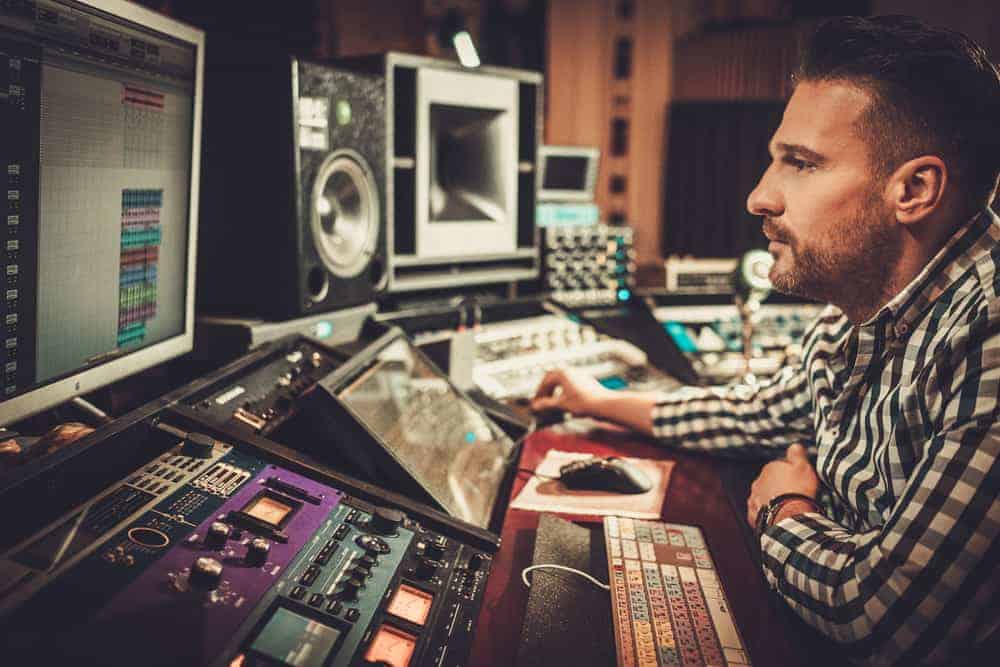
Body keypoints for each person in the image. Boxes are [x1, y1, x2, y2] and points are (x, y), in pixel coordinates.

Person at [532, 15, 999, 666]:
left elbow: (884, 615)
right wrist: (597, 398)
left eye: (801, 164)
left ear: (915, 190)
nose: (758, 196)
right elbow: (753, 410)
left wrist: (782, 503)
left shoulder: (989, 336)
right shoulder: (855, 309)